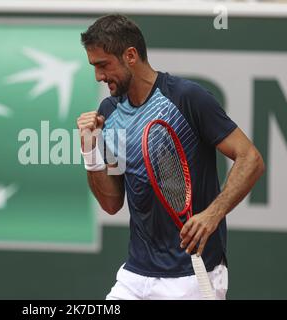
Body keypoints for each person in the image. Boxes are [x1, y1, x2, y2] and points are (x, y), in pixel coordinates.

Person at [77, 14, 265, 300]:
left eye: (103, 65)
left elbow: (250, 158)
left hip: (192, 275)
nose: (99, 76)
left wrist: (212, 214)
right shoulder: (110, 111)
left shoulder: (187, 98)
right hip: (136, 275)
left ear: (130, 55)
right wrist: (90, 149)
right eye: (94, 67)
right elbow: (112, 203)